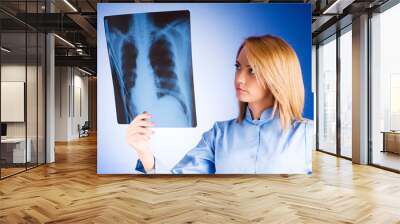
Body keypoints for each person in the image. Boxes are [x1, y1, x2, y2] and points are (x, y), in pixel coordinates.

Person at [126, 34, 313, 174]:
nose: (239, 78)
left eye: (252, 70)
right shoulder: (219, 134)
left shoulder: (307, 134)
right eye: (238, 67)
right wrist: (144, 152)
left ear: (278, 75)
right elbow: (178, 184)